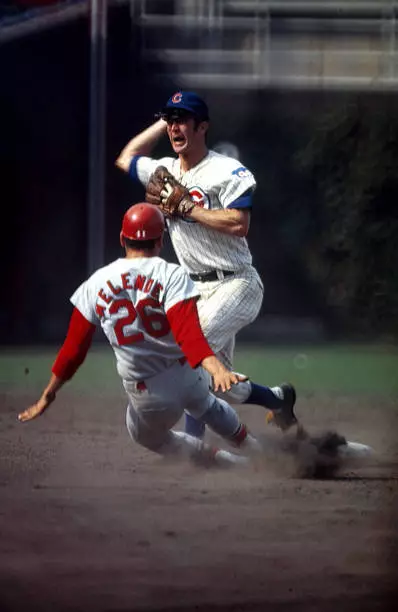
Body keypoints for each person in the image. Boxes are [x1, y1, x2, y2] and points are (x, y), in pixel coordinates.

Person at [18, 203, 263, 468]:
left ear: (122, 238)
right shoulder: (173, 274)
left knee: (142, 433)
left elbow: (73, 350)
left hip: (149, 396)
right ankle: (264, 456)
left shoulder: (96, 282)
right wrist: (217, 370)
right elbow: (188, 334)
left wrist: (48, 394)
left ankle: (234, 464)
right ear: (160, 241)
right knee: (208, 405)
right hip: (187, 375)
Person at [115, 90, 298, 439]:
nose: (175, 127)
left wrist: (190, 209)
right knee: (218, 384)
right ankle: (278, 399)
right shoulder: (163, 171)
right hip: (196, 290)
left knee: (188, 354)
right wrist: (161, 121)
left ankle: (193, 446)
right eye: (171, 120)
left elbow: (239, 223)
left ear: (203, 127)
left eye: (182, 119)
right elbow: (126, 158)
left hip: (237, 283)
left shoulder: (225, 170)